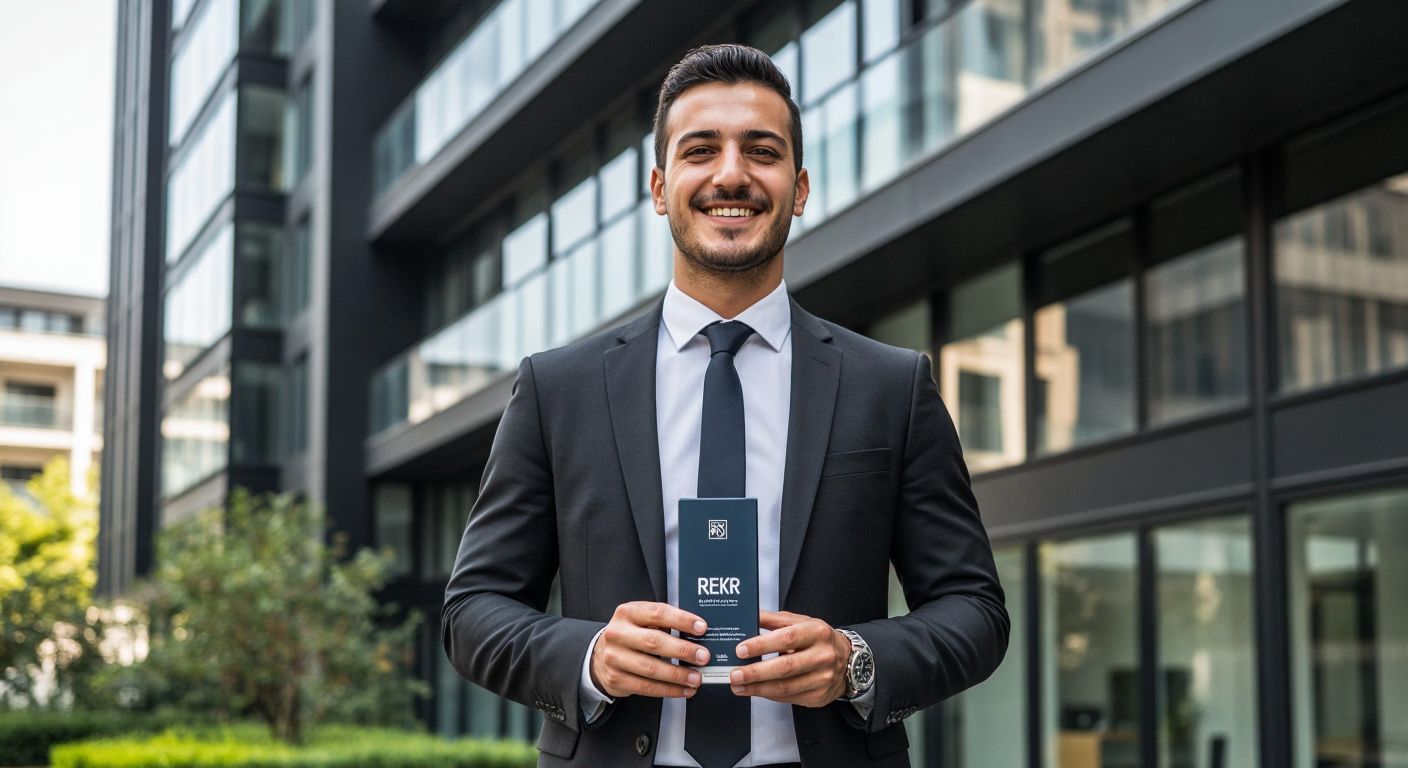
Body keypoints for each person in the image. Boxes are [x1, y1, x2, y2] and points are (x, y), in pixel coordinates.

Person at [443, 43, 1008, 768]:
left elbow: (975, 611)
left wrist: (854, 660)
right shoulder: (558, 390)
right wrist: (589, 656)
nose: (731, 174)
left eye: (761, 151)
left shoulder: (890, 387)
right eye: (701, 150)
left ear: (799, 188)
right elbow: (472, 612)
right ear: (659, 185)